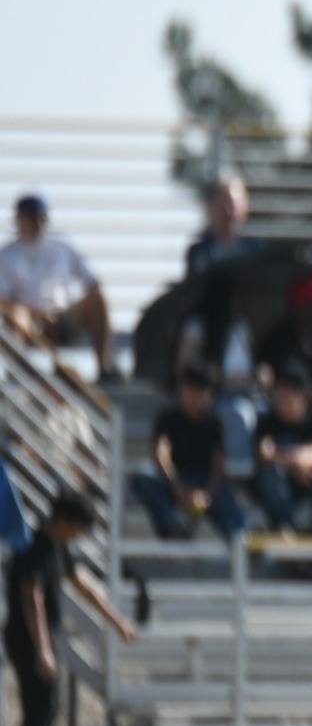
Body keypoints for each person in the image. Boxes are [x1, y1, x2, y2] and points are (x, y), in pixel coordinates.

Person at [4, 491, 136, 726]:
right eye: (79, 527)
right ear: (64, 520)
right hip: (27, 637)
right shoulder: (36, 547)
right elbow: (31, 598)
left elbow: (85, 586)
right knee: (41, 707)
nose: (80, 534)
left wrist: (118, 621)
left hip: (38, 637)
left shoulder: (56, 547)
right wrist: (43, 650)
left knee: (44, 707)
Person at [0, 195, 114, 380]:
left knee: (98, 300)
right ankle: (19, 373)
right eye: (29, 216)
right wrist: (38, 314)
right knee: (16, 315)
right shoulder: (6, 256)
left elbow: (92, 281)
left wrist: (58, 314)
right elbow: (4, 301)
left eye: (39, 216)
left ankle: (105, 369)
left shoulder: (61, 248)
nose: (35, 222)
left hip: (63, 319)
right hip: (29, 323)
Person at [131, 364, 246, 541]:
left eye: (200, 391)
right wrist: (178, 488)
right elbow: (161, 455)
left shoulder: (213, 423)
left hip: (204, 482)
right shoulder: (168, 418)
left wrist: (207, 495)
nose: (195, 396)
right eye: (191, 389)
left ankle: (240, 538)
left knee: (227, 503)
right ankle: (172, 524)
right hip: (171, 481)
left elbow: (218, 466)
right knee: (144, 477)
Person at [251, 366, 312, 535]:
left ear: (304, 398)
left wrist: (300, 459)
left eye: (289, 398)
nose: (283, 403)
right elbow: (265, 453)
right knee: (271, 472)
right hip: (279, 488)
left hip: (308, 483)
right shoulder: (267, 422)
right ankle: (284, 527)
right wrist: (293, 462)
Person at [184, 174, 263, 279]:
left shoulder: (255, 250)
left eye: (232, 204)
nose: (227, 211)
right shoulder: (200, 253)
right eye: (223, 203)